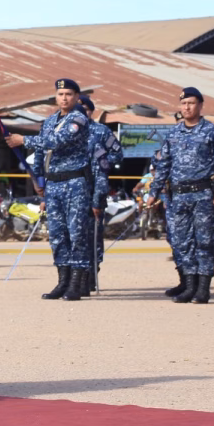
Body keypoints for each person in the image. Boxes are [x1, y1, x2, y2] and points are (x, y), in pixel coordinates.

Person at [5, 79, 93, 302]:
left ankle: (76, 284)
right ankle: (62, 282)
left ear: (76, 96)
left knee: (76, 234)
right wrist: (38, 179)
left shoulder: (78, 118)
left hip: (74, 184)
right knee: (57, 235)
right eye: (61, 94)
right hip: (53, 185)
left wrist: (23, 139)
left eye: (69, 94)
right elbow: (41, 154)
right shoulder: (50, 121)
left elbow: (56, 141)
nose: (64, 98)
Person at [148, 88, 214, 304]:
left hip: (204, 194)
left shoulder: (213, 132)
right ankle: (189, 285)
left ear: (200, 105)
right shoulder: (173, 133)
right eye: (184, 103)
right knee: (181, 241)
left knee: (204, 241)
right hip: (178, 196)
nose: (187, 107)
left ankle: (203, 288)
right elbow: (163, 165)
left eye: (192, 103)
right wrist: (153, 192)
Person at [77, 94, 123, 293]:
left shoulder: (101, 131)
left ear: (91, 111)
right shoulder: (68, 131)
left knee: (93, 235)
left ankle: (91, 274)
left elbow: (118, 154)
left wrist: (102, 161)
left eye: (85, 109)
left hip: (97, 188)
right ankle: (76, 277)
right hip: (73, 189)